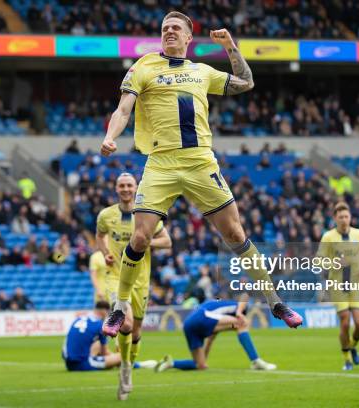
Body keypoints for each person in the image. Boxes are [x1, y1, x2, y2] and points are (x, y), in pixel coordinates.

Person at [100, 11, 302, 342]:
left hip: (199, 162)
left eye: (176, 28)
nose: (169, 32)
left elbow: (246, 83)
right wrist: (111, 136)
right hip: (160, 163)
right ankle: (120, 305)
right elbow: (123, 109)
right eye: (165, 28)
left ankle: (276, 303)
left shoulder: (202, 71)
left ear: (189, 37)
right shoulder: (144, 66)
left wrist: (231, 47)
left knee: (236, 234)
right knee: (139, 238)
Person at [95, 173, 171, 400]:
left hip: (141, 280)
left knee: (136, 332)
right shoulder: (106, 215)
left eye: (129, 185)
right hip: (115, 277)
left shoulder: (148, 216)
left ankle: (127, 365)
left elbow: (167, 241)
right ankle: (125, 365)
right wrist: (105, 252)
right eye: (122, 185)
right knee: (125, 323)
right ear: (116, 189)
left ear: (136, 188)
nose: (126, 189)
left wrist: (144, 241)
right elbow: (99, 236)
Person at [317, 202, 359, 371]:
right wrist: (334, 262)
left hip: (357, 285)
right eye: (340, 217)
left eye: (346, 216)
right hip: (338, 285)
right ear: (335, 218)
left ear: (350, 218)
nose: (344, 220)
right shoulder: (328, 237)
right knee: (345, 322)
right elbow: (318, 260)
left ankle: (352, 346)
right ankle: (347, 358)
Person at [155, 299, 276, 372]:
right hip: (202, 317)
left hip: (188, 324)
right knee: (242, 324)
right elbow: (244, 300)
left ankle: (171, 363)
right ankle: (256, 361)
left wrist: (205, 359)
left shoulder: (217, 318)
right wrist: (240, 314)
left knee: (200, 365)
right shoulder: (234, 306)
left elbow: (211, 339)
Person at [62, 301, 156, 372]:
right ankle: (137, 365)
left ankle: (100, 360)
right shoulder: (100, 325)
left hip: (68, 361)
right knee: (121, 357)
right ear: (105, 312)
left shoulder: (79, 319)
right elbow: (105, 352)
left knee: (97, 344)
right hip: (81, 364)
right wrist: (114, 358)